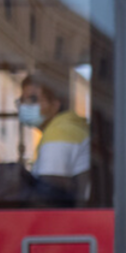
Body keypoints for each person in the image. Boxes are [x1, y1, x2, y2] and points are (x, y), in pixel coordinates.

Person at [18, 73, 90, 203]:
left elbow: (48, 196)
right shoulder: (67, 127)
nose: (25, 105)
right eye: (22, 100)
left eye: (33, 99)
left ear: (55, 104)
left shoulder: (60, 132)